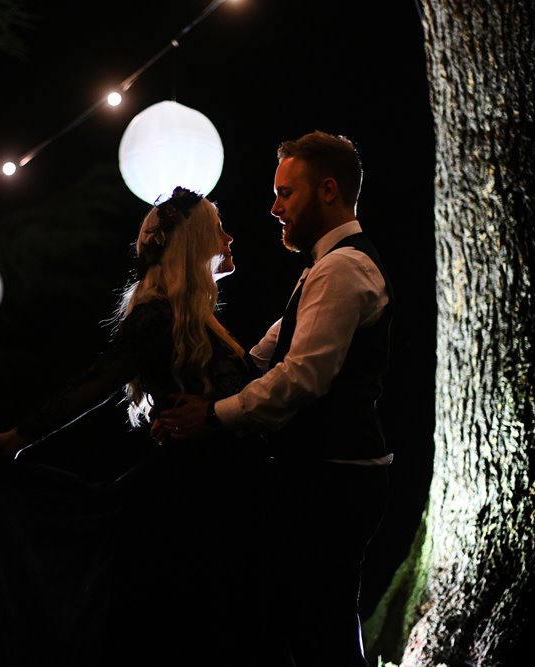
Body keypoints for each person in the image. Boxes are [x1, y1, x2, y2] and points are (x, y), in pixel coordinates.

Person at [0, 186, 279, 667]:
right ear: (194, 243)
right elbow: (98, 381)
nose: (230, 236)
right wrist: (22, 436)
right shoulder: (157, 313)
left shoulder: (194, 318)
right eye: (218, 228)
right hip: (190, 495)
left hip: (214, 489)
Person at [155, 131, 394, 667]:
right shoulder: (322, 268)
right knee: (312, 619)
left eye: (286, 193)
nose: (274, 207)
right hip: (326, 474)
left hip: (336, 476)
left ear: (328, 190)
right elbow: (259, 358)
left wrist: (212, 417)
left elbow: (301, 378)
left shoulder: (341, 270)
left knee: (320, 627)